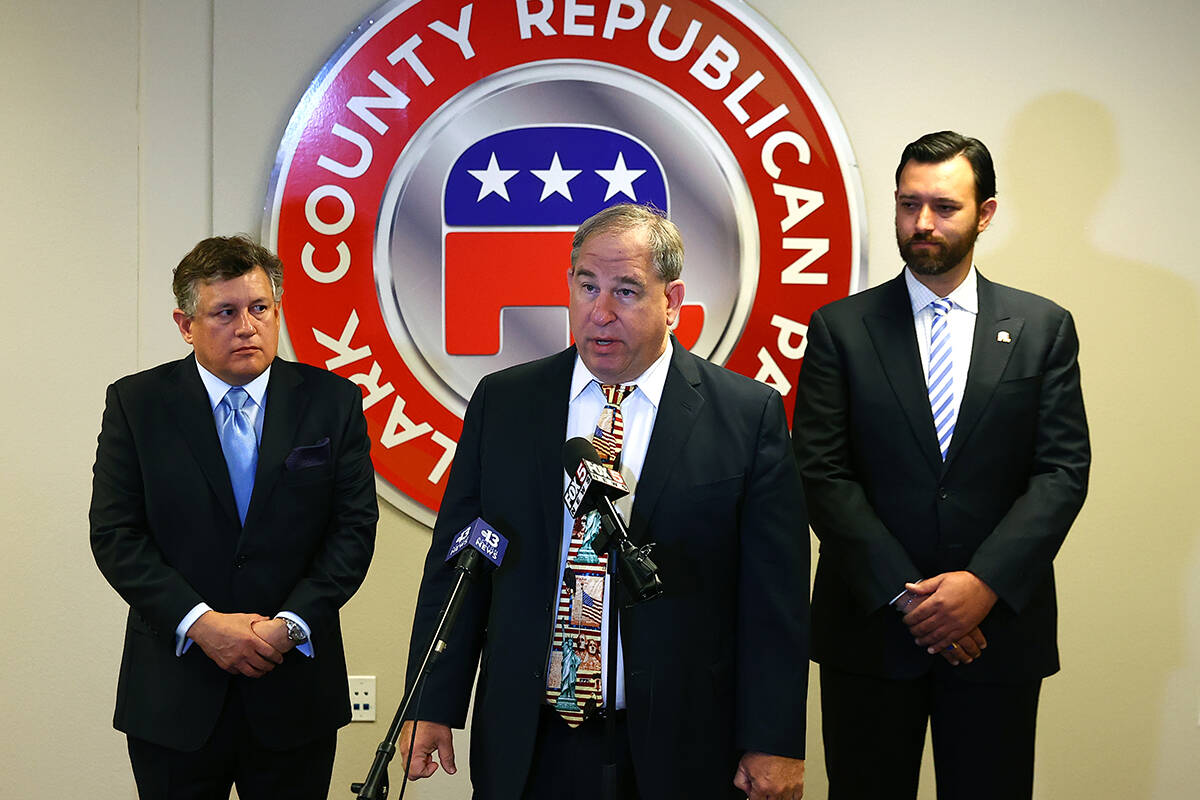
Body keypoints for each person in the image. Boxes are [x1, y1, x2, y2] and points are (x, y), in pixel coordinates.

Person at [400, 204, 809, 799]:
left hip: (682, 743)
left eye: (626, 291)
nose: (601, 311)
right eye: (587, 286)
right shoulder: (506, 404)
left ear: (672, 301)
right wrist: (431, 700)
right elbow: (460, 566)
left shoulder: (746, 416)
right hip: (531, 742)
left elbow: (775, 600)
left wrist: (773, 739)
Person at [792, 131, 1090, 799]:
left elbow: (1062, 472)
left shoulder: (1043, 327)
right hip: (870, 634)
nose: (921, 223)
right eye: (908, 204)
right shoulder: (840, 328)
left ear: (985, 214)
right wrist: (910, 596)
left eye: (944, 207)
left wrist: (981, 584)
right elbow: (821, 472)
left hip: (996, 636)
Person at [89, 235, 378, 799]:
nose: (246, 326)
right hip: (175, 697)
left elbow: (352, 533)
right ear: (185, 322)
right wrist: (201, 623)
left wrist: (289, 626)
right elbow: (116, 535)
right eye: (225, 312)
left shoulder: (332, 401)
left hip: (293, 689)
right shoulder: (137, 404)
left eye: (259, 308)